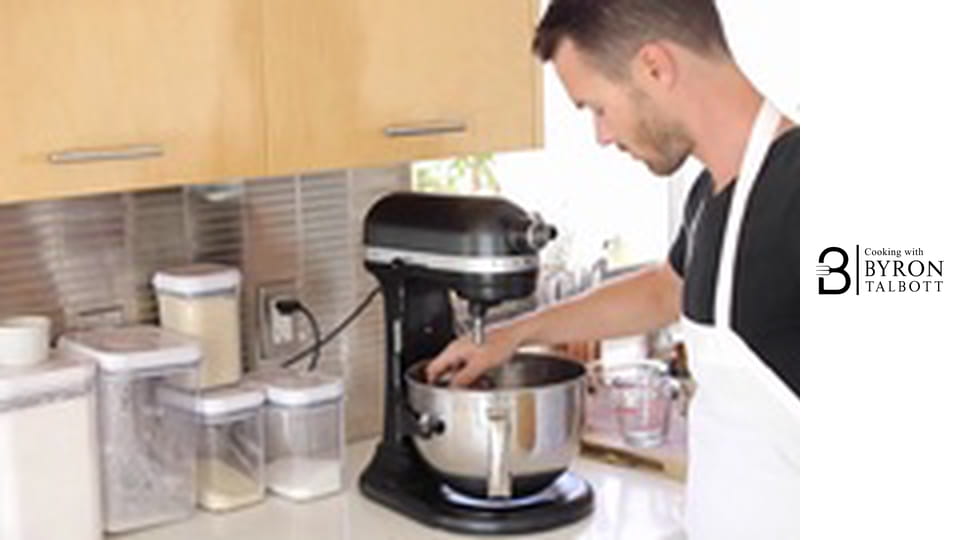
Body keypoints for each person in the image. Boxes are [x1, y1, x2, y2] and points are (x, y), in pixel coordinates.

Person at [426, 0, 799, 538]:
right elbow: (665, 291)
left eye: (597, 108)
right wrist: (514, 335)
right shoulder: (708, 193)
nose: (601, 135)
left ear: (655, 67)